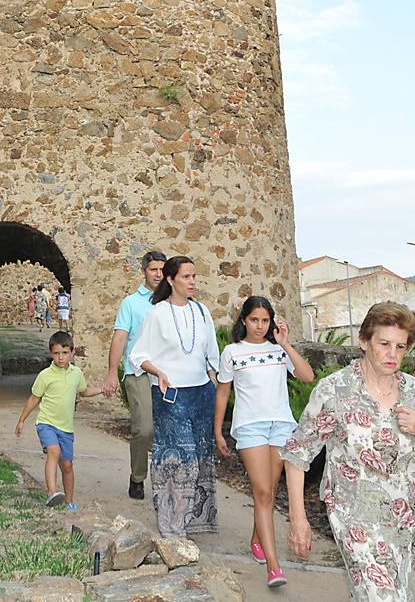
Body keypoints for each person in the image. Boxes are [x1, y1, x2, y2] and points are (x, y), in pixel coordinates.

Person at [282, 302, 415, 602]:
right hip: (357, 519)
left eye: (401, 346)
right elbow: (298, 454)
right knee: (381, 595)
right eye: (384, 343)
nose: (393, 354)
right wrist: (298, 519)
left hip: (413, 520)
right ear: (364, 341)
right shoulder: (335, 390)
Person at [214, 296, 314, 588]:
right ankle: (273, 566)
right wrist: (219, 431)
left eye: (265, 320)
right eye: (254, 320)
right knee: (262, 492)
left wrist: (285, 344)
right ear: (243, 320)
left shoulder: (278, 351)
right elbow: (223, 393)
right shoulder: (232, 352)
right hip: (249, 429)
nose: (259, 326)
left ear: (272, 322)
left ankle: (257, 539)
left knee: (269, 490)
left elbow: (307, 376)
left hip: (281, 426)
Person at [128, 255, 221, 537]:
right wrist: (158, 372)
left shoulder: (202, 311)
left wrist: (214, 386)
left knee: (201, 458)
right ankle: (172, 527)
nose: (192, 281)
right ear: (171, 280)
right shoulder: (156, 313)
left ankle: (191, 521)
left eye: (194, 276)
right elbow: (137, 356)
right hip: (171, 396)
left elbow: (211, 355)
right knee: (181, 461)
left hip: (201, 395)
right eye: (186, 277)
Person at [15, 330, 106, 510]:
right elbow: (34, 398)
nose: (61, 357)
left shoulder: (76, 373)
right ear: (51, 353)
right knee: (53, 452)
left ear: (72, 353)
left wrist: (102, 389)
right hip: (46, 423)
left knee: (67, 465)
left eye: (65, 353)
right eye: (56, 353)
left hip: (66, 428)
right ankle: (52, 493)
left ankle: (69, 502)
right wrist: (21, 420)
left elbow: (84, 391)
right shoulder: (45, 376)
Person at [104, 250, 167, 499]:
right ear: (144, 271)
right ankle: (137, 477)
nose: (158, 274)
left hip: (169, 375)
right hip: (138, 372)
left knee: (169, 431)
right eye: (153, 269)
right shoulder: (131, 303)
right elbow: (120, 337)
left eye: (162, 270)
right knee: (145, 429)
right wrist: (111, 373)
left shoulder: (173, 302)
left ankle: (165, 481)